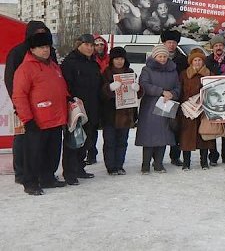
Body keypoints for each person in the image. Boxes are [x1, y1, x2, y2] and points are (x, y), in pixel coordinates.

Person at [11, 31, 68, 195]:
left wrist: (68, 99)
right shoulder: (25, 68)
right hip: (37, 120)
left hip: (57, 118)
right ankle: (30, 182)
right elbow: (19, 95)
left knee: (52, 152)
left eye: (48, 47)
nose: (45, 50)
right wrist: (27, 119)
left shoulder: (53, 65)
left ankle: (48, 178)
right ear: (32, 49)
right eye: (41, 47)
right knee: (33, 154)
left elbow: (61, 88)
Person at [4, 20, 57, 185]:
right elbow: (10, 79)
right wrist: (18, 105)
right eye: (37, 31)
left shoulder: (50, 51)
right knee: (22, 139)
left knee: (42, 143)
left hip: (47, 108)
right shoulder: (18, 52)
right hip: (23, 104)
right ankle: (20, 173)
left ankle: (44, 173)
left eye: (43, 31)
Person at [61, 33, 103, 184]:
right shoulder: (69, 62)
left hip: (92, 107)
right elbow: (65, 85)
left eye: (92, 45)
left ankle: (80, 167)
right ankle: (69, 172)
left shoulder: (93, 63)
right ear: (78, 45)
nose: (90, 48)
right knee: (73, 141)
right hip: (75, 108)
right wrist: (71, 101)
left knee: (86, 140)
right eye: (87, 45)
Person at [136, 44, 181, 174]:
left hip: (167, 105)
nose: (162, 59)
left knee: (164, 135)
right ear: (154, 56)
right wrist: (161, 91)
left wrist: (173, 94)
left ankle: (158, 163)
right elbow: (144, 84)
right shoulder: (147, 69)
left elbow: (178, 86)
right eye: (160, 56)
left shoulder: (173, 70)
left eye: (164, 56)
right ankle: (145, 164)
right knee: (149, 136)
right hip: (150, 105)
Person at [101, 47, 140, 175]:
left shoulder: (130, 72)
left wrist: (138, 88)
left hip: (126, 113)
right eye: (116, 59)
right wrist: (109, 88)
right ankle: (111, 166)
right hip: (110, 114)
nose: (119, 61)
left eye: (121, 59)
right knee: (110, 142)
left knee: (122, 141)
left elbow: (138, 94)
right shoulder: (106, 73)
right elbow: (100, 93)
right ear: (112, 60)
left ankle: (119, 165)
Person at [178, 48, 214, 171]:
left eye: (199, 60)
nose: (197, 62)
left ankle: (204, 161)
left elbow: (214, 90)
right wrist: (183, 103)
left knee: (203, 135)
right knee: (186, 137)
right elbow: (179, 90)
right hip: (187, 110)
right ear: (191, 62)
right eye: (195, 60)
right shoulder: (184, 74)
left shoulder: (209, 74)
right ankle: (186, 162)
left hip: (204, 110)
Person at [160, 29, 188, 166]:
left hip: (177, 97)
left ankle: (175, 156)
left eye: (174, 42)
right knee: (161, 127)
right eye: (169, 42)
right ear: (164, 43)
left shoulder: (182, 59)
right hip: (161, 97)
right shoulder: (158, 57)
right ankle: (157, 157)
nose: (171, 45)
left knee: (175, 127)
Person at [205, 34, 225, 164]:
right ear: (212, 48)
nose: (218, 48)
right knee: (212, 128)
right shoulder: (207, 60)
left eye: (220, 45)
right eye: (216, 46)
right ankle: (213, 155)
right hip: (212, 97)